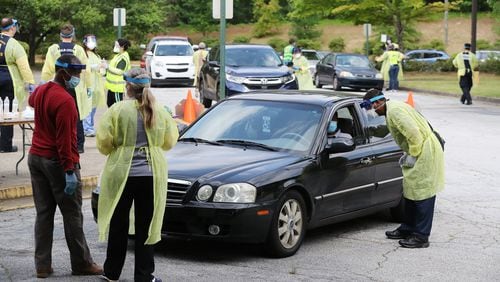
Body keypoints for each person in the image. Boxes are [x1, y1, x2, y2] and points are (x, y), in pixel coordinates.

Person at [96, 68, 178, 282]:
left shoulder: (117, 110)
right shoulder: (160, 110)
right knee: (146, 226)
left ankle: (111, 272)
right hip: (152, 175)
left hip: (121, 173)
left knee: (118, 224)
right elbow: (169, 142)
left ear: (128, 87)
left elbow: (104, 143)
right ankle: (144, 276)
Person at [28, 54, 103, 278]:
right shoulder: (66, 101)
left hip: (36, 158)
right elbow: (66, 141)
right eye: (76, 73)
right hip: (57, 162)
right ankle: (81, 263)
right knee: (72, 215)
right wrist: (70, 171)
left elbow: (31, 102)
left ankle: (42, 266)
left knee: (43, 214)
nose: (78, 78)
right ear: (64, 73)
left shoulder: (41, 91)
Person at [360, 89, 445, 248]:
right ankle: (408, 228)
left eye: (370, 107)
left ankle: (421, 236)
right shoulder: (391, 109)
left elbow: (414, 134)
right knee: (411, 191)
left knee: (423, 194)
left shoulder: (395, 111)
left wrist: (413, 154)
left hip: (424, 151)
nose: (371, 112)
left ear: (378, 103)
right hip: (419, 149)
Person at [41, 23, 90, 153]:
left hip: (58, 85)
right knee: (76, 115)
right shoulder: (78, 49)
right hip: (75, 86)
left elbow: (47, 69)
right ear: (73, 35)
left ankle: (58, 144)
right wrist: (88, 86)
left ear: (60, 35)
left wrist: (46, 83)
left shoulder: (53, 49)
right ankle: (79, 145)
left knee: (57, 115)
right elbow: (86, 68)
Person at [0, 18, 35, 153]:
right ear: (12, 28)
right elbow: (24, 67)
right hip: (9, 79)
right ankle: (5, 145)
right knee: (8, 112)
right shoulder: (14, 44)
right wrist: (30, 82)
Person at [82, 34, 106, 137]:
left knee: (93, 108)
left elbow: (101, 71)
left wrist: (103, 67)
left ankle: (89, 126)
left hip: (96, 86)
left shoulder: (97, 56)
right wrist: (96, 66)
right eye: (89, 41)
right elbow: (84, 67)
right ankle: (87, 128)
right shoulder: (83, 54)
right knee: (87, 107)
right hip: (88, 85)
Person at [105, 38, 131, 107]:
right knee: (110, 105)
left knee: (117, 107)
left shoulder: (123, 58)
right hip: (112, 88)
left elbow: (120, 71)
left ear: (122, 47)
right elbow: (112, 67)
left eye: (116, 45)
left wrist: (107, 66)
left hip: (117, 88)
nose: (115, 47)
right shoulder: (117, 56)